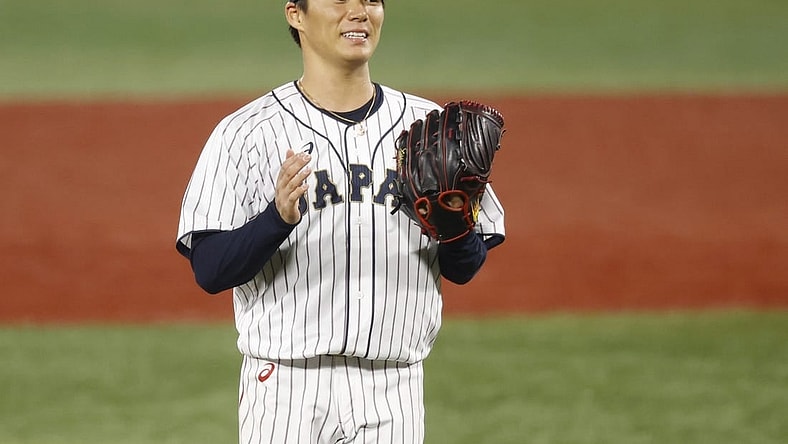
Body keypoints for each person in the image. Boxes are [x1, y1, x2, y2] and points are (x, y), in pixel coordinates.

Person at [175, 1, 505, 442]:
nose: (358, 12)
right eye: (339, 0)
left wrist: (454, 227)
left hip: (394, 388)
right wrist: (275, 219)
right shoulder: (246, 133)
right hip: (286, 389)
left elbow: (464, 268)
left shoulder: (429, 128)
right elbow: (211, 270)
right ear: (296, 14)